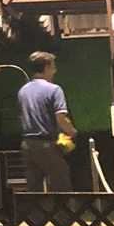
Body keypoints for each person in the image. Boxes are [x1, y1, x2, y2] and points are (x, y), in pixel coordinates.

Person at [18, 50, 77, 191]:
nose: (54, 71)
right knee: (62, 187)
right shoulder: (54, 90)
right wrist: (72, 132)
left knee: (34, 191)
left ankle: (36, 207)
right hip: (46, 145)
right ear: (46, 67)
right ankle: (63, 207)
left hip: (27, 146)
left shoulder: (22, 91)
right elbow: (61, 118)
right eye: (53, 67)